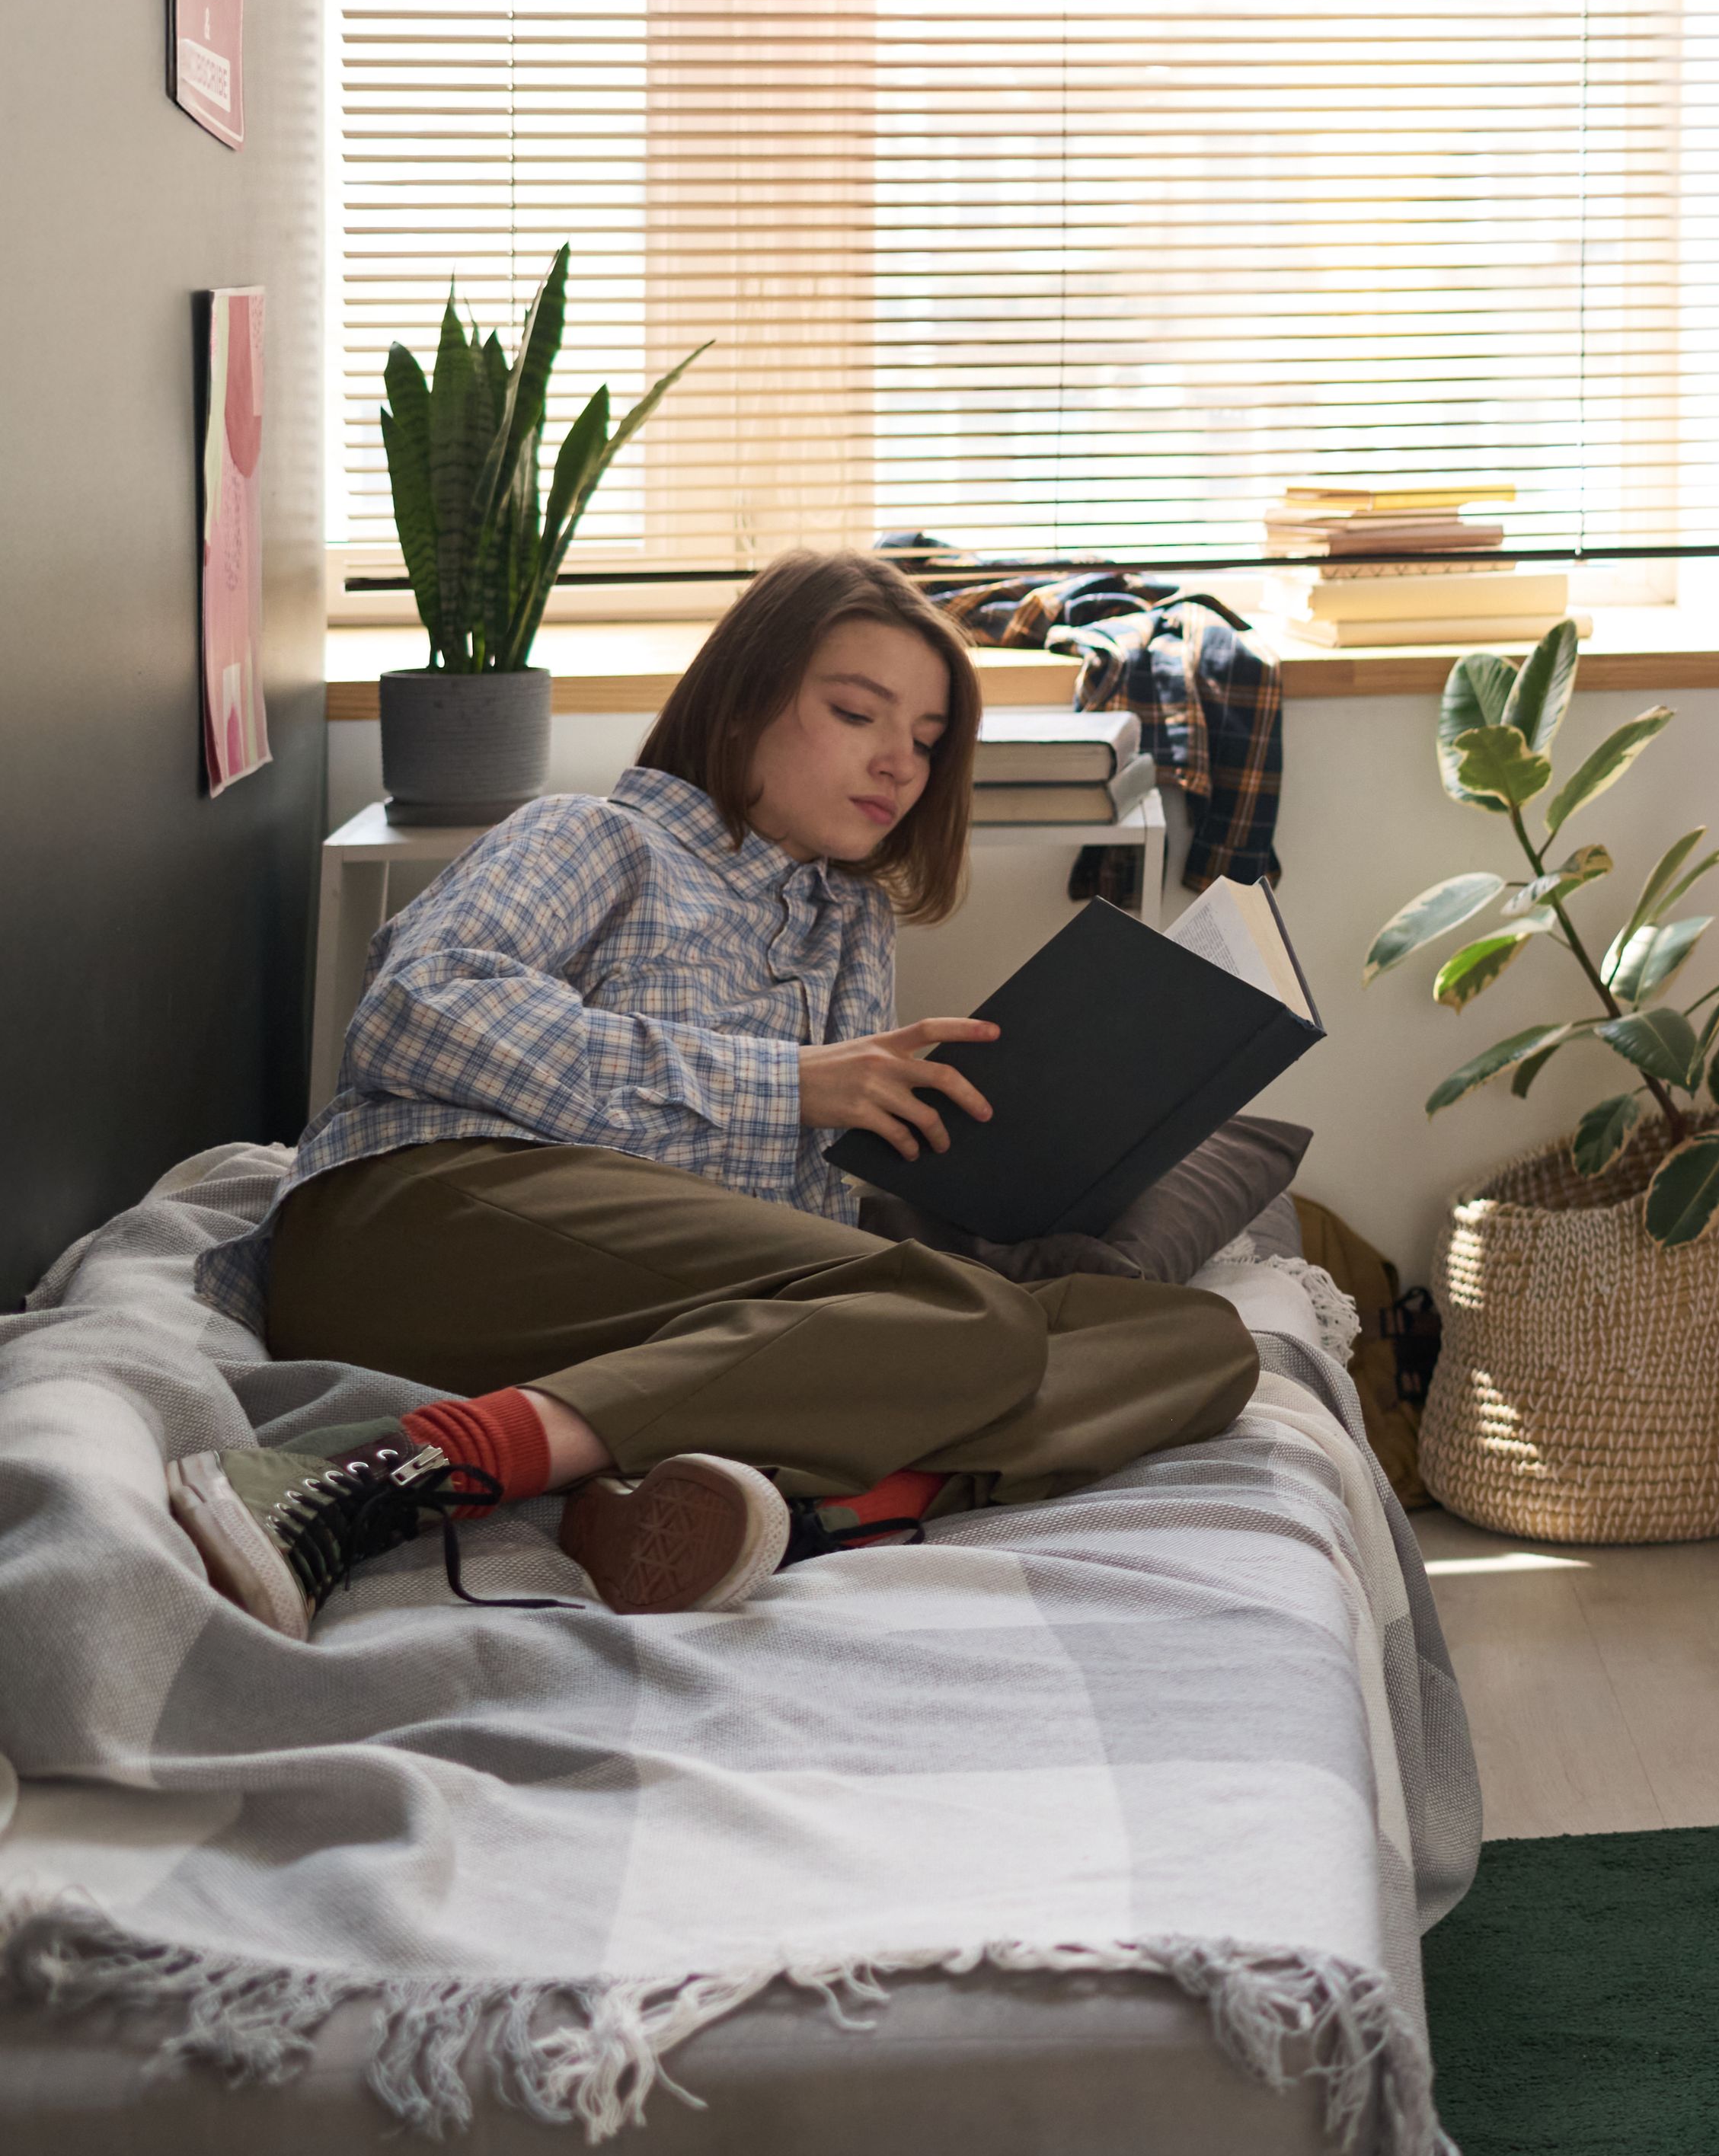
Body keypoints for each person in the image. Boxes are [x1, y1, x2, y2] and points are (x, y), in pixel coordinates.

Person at [171, 549, 1266, 1637]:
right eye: (857, 714)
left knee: (1192, 1342)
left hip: (641, 1318)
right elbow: (416, 1012)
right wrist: (787, 1086)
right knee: (968, 1318)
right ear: (743, 705)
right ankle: (396, 1476)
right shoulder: (596, 838)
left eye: (927, 744)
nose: (900, 764)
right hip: (420, 1218)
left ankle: (701, 1501)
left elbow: (791, 1250)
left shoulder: (851, 933)